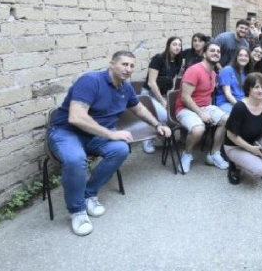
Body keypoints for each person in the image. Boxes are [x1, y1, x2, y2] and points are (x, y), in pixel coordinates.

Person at [47, 51, 172, 236]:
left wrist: (158, 124)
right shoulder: (90, 81)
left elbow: (139, 109)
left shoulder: (125, 87)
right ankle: (77, 210)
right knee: (75, 160)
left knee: (120, 149)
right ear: (112, 64)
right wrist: (110, 134)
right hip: (67, 132)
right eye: (124, 64)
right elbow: (76, 117)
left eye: (132, 66)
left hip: (94, 135)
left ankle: (89, 194)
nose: (128, 69)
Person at [175, 42, 230, 173]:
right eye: (212, 51)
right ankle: (187, 155)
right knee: (198, 129)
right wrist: (201, 113)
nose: (216, 53)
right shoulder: (194, 70)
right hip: (184, 108)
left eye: (218, 51)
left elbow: (206, 95)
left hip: (205, 106)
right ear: (204, 54)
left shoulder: (213, 73)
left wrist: (208, 111)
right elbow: (185, 97)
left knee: (227, 119)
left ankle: (214, 154)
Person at [223, 72, 262, 185]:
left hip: (254, 140)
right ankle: (235, 165)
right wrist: (251, 149)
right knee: (260, 170)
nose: (260, 90)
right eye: (256, 87)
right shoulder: (240, 107)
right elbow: (230, 135)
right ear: (248, 89)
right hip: (235, 145)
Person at [141, 36, 183, 154]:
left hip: (164, 94)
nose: (177, 47)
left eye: (179, 45)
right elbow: (151, 82)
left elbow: (174, 78)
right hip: (149, 95)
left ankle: (161, 134)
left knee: (172, 115)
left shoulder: (178, 60)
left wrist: (170, 96)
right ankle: (147, 139)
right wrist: (162, 100)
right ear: (168, 46)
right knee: (164, 116)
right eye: (174, 44)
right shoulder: (158, 59)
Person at [216, 47, 250, 114]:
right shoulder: (227, 70)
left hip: (242, 102)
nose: (243, 58)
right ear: (236, 57)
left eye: (246, 56)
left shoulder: (247, 73)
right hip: (226, 103)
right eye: (240, 55)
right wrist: (240, 107)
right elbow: (228, 94)